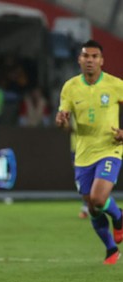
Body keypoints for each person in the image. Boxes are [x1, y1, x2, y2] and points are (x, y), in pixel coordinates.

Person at [56, 39, 123, 265]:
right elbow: (65, 124)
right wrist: (62, 121)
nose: (90, 61)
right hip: (83, 153)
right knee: (93, 207)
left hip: (109, 148)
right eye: (86, 56)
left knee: (97, 197)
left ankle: (120, 217)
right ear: (79, 60)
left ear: (102, 61)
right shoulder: (70, 87)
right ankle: (111, 249)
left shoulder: (115, 85)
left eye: (94, 57)